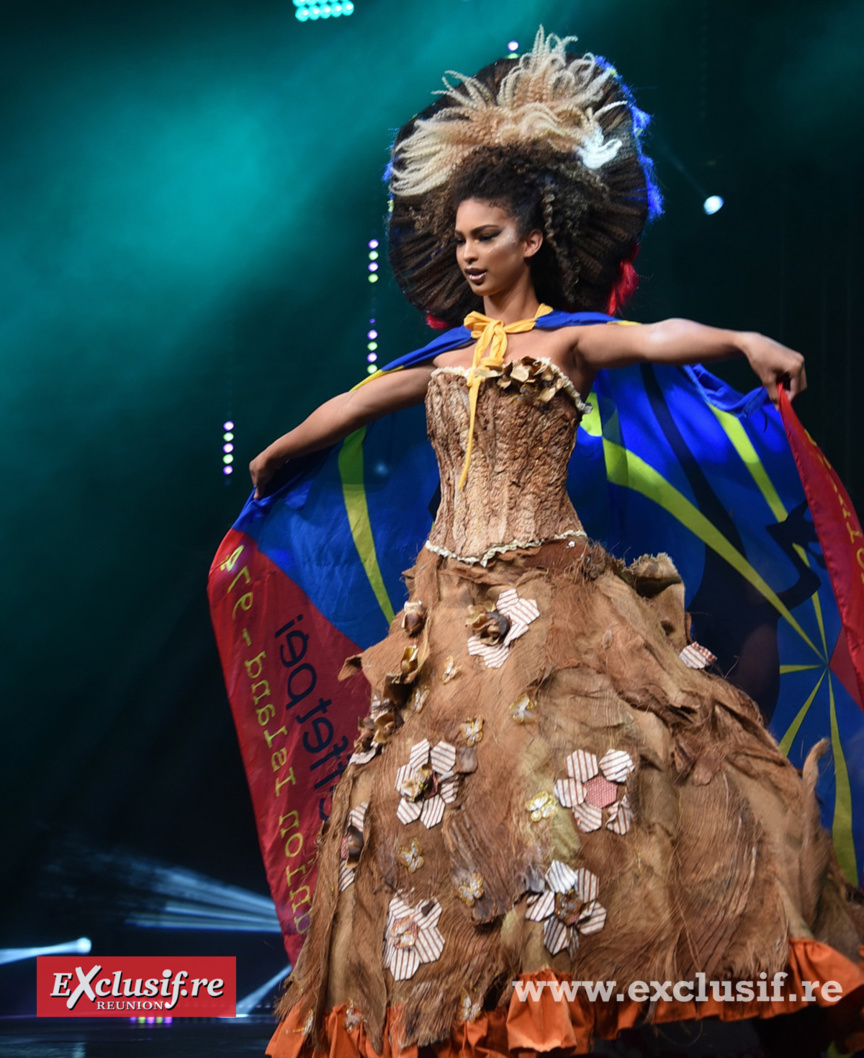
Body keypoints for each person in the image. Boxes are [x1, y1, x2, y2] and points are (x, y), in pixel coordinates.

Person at [252, 31, 864, 1058]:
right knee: (425, 797)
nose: (467, 252)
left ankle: (584, 986)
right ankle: (471, 1000)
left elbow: (659, 336)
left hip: (552, 594)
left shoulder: (567, 339)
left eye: (486, 234)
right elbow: (355, 401)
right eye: (458, 238)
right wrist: (279, 448)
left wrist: (748, 343)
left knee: (583, 783)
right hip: (449, 603)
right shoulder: (446, 354)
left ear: (531, 240)